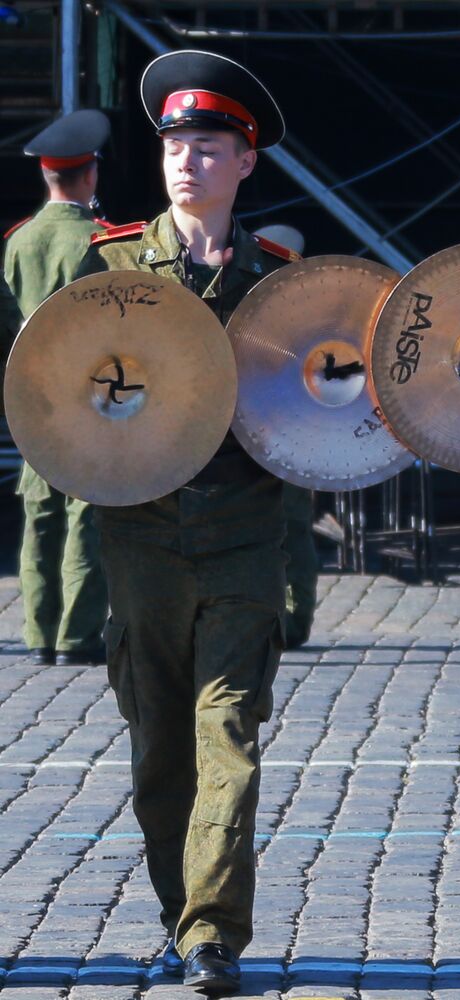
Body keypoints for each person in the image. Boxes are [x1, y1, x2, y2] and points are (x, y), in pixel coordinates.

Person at [80, 50, 299, 993]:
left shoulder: (280, 278)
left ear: (245, 163)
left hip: (244, 536)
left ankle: (213, 934)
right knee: (159, 751)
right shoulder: (114, 266)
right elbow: (66, 387)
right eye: (176, 145)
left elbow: (306, 399)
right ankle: (184, 918)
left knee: (230, 738)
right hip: (141, 539)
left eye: (208, 148)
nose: (187, 163)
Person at [5, 109, 113, 667]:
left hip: (33, 396)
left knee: (39, 515)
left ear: (47, 176)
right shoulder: (100, 241)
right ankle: (78, 634)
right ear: (89, 174)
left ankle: (39, 633)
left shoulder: (18, 241)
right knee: (85, 515)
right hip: (89, 397)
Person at [252, 223, 318, 650]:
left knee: (282, 527)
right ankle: (292, 618)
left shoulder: (260, 302)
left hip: (277, 430)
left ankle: (286, 618)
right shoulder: (307, 303)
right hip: (287, 431)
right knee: (292, 528)